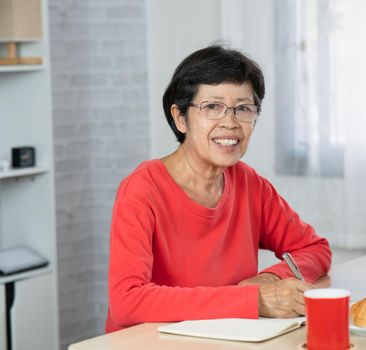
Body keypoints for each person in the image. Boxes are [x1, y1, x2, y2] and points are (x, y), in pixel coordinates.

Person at [105, 45, 332, 333]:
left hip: (225, 338)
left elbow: (314, 248)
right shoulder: (141, 191)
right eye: (212, 107)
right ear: (180, 117)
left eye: (243, 108)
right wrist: (252, 300)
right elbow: (127, 302)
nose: (230, 122)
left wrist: (271, 278)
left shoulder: (250, 184)